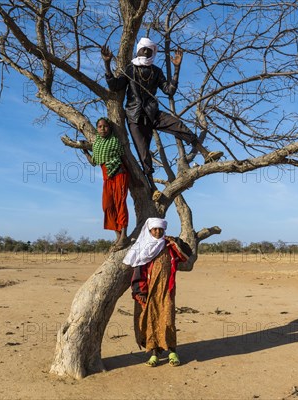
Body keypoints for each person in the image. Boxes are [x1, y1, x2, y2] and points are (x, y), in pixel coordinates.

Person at [102, 37, 222, 191]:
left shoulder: (156, 71)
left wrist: (177, 69)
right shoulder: (130, 69)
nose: (145, 51)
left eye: (148, 49)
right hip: (135, 117)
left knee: (178, 125)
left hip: (153, 114)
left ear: (153, 52)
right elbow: (114, 86)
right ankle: (153, 188)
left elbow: (169, 90)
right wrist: (107, 63)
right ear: (138, 49)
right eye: (143, 48)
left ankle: (206, 154)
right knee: (144, 153)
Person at [123, 217, 191, 367]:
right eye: (155, 229)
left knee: (168, 320)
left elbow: (187, 254)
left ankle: (172, 351)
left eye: (160, 229)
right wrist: (140, 291)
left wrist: (176, 241)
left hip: (167, 290)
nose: (158, 232)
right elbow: (138, 271)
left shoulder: (169, 245)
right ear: (149, 230)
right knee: (150, 321)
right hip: (149, 292)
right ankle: (154, 353)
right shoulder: (142, 248)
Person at [82, 117, 130, 249]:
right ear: (97, 129)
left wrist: (134, 177)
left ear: (110, 128)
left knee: (120, 203)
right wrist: (85, 151)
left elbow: (124, 158)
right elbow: (94, 162)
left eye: (105, 126)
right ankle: (117, 234)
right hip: (107, 178)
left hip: (119, 174)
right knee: (107, 206)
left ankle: (124, 236)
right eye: (100, 126)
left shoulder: (115, 141)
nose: (103, 129)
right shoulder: (96, 144)